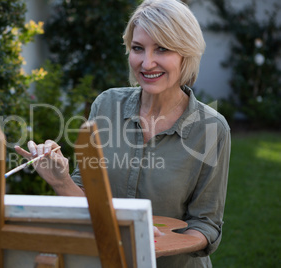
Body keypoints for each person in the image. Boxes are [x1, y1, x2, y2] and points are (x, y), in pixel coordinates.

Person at [15, 0, 231, 267]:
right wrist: (60, 181)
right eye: (138, 48)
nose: (147, 62)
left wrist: (151, 242)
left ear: (186, 54)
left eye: (162, 49)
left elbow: (206, 224)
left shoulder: (211, 128)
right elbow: (87, 197)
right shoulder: (105, 106)